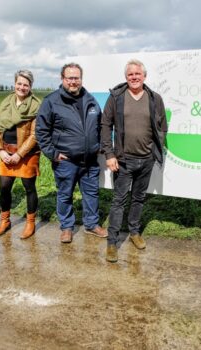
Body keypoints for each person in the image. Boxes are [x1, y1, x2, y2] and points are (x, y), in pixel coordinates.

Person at [101, 59, 168, 263]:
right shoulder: (116, 97)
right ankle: (112, 242)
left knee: (138, 199)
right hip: (123, 160)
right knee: (119, 201)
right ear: (126, 77)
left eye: (138, 74)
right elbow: (105, 126)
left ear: (144, 76)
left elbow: (162, 126)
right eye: (130, 74)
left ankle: (134, 232)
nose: (134, 77)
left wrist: (155, 147)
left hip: (146, 160)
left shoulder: (155, 98)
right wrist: (110, 155)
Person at [35, 63, 107, 243]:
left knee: (91, 194)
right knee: (65, 194)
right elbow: (41, 132)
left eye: (77, 78)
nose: (73, 82)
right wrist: (53, 153)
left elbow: (100, 125)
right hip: (65, 161)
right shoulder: (51, 101)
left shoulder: (90, 100)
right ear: (62, 79)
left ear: (81, 79)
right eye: (70, 78)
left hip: (89, 160)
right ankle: (67, 227)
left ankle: (91, 224)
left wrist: (98, 145)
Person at [0, 70, 41, 239]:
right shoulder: (6, 103)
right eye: (19, 83)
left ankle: (30, 223)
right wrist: (0, 150)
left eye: (26, 84)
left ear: (30, 86)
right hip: (6, 152)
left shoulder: (36, 106)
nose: (22, 87)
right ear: (15, 84)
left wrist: (19, 154)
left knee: (29, 188)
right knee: (4, 187)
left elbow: (35, 134)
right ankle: (5, 220)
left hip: (27, 155)